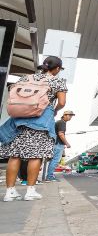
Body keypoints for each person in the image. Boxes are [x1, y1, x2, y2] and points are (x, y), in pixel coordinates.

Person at [2, 56, 68, 202]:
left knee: (15, 155)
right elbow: (62, 102)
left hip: (19, 120)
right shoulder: (57, 81)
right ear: (57, 68)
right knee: (35, 155)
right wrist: (55, 109)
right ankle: (30, 191)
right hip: (40, 120)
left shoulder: (26, 78)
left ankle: (9, 192)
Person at [45, 110, 74, 182]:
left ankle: (49, 175)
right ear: (64, 115)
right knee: (55, 161)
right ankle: (49, 176)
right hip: (58, 144)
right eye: (69, 115)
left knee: (53, 160)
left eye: (71, 116)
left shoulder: (59, 122)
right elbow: (61, 134)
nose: (70, 117)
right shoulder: (62, 123)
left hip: (56, 143)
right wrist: (67, 143)